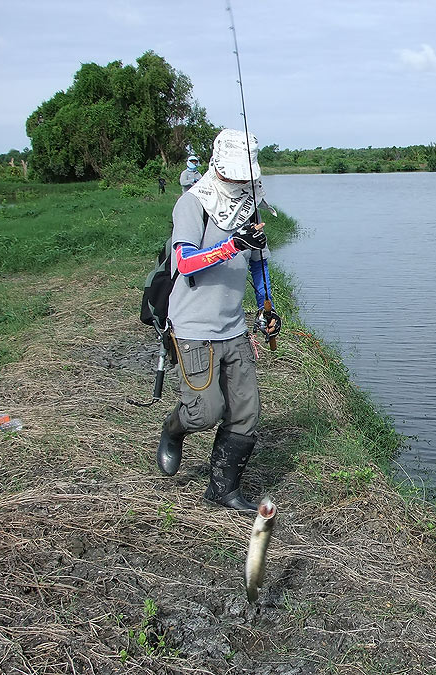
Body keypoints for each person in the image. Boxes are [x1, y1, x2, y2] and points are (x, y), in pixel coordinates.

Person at [156, 128, 281, 513]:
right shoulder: (192, 204)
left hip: (234, 327)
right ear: (218, 166)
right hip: (194, 326)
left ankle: (223, 490)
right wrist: (233, 244)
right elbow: (186, 260)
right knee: (204, 412)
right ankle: (173, 429)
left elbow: (259, 264)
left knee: (246, 413)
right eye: (235, 173)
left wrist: (267, 307)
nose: (242, 181)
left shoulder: (252, 203)